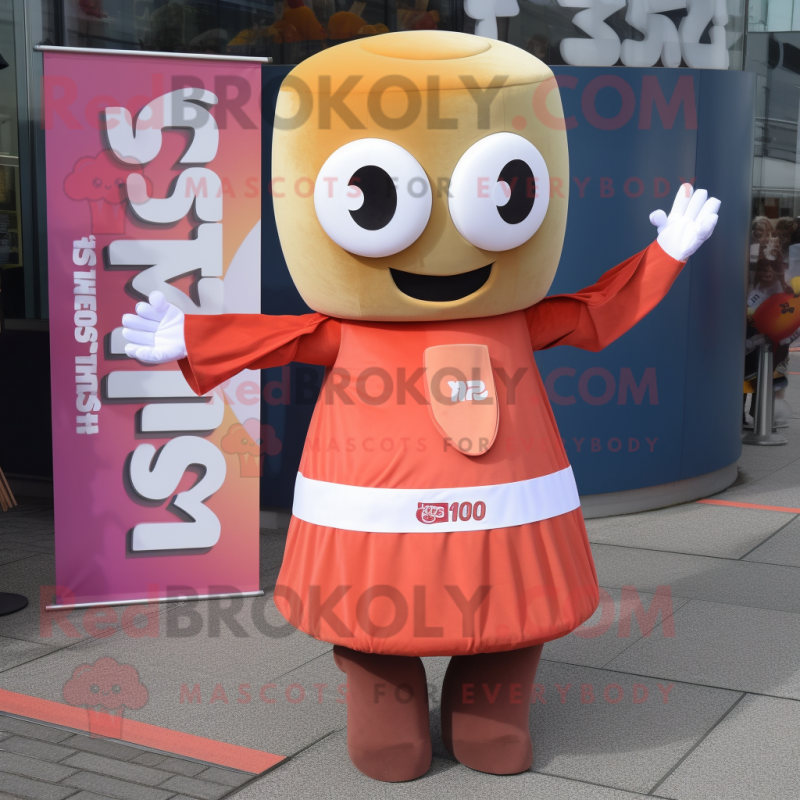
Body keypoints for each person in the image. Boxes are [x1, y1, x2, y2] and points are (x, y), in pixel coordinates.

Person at [121, 32, 719, 783]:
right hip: (376, 517)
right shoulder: (352, 331)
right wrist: (194, 336)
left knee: (509, 622)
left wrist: (663, 257)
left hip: (505, 515)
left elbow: (594, 314)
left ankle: (488, 713)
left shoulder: (516, 320)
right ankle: (386, 709)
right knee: (375, 630)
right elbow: (287, 335)